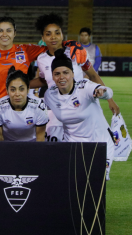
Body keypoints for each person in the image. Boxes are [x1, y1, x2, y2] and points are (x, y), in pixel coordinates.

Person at [32, 13, 119, 142]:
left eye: (57, 32)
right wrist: (24, 84)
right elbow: (45, 81)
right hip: (59, 110)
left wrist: (110, 100)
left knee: (94, 145)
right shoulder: (41, 59)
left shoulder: (76, 51)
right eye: (48, 34)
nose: (53, 37)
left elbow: (93, 75)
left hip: (85, 106)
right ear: (43, 38)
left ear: (62, 35)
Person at [44, 49, 114, 180]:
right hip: (72, 145)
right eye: (57, 74)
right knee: (73, 185)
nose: (61, 77)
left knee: (96, 182)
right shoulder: (50, 95)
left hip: (99, 143)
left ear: (73, 74)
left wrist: (102, 92)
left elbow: (108, 91)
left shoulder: (85, 87)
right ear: (52, 76)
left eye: (66, 73)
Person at [0, 66, 48, 141]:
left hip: (33, 146)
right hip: (8, 146)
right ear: (7, 91)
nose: (17, 94)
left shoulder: (39, 106)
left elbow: (40, 139)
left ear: (28, 89)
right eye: (13, 90)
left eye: (21, 89)